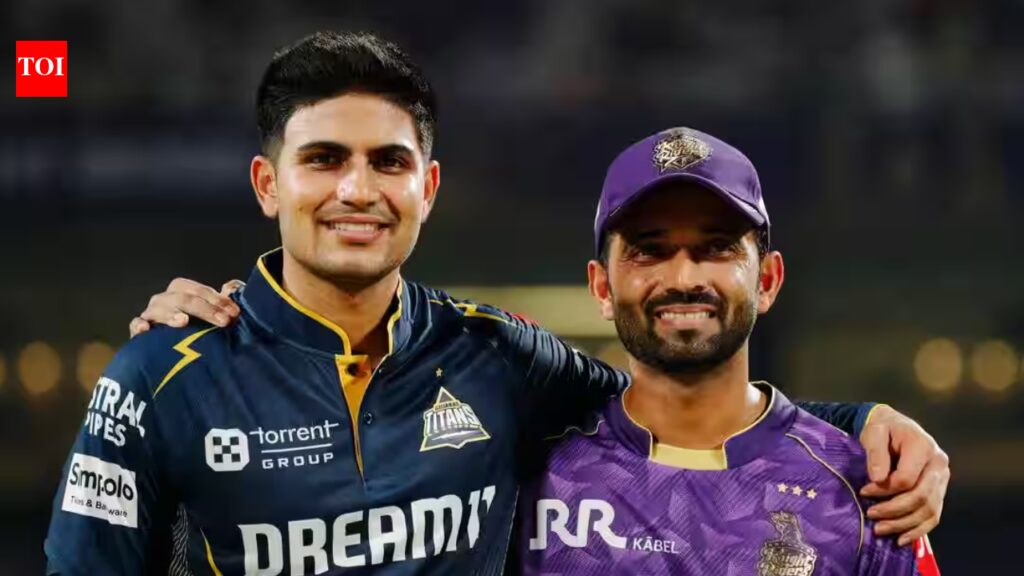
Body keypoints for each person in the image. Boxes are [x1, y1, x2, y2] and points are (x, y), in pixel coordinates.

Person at [46, 31, 946, 575]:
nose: (357, 189)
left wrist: (864, 423)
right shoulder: (161, 374)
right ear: (266, 184)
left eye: (388, 162)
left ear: (427, 187)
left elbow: (674, 400)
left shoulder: (496, 356)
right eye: (323, 159)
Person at [517, 127, 942, 574]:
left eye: (718, 248)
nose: (684, 279)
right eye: (649, 250)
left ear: (767, 281)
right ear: (602, 287)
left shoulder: (866, 493)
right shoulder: (527, 474)